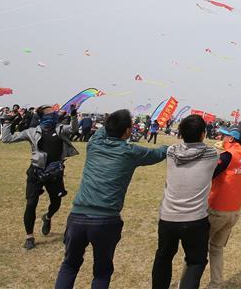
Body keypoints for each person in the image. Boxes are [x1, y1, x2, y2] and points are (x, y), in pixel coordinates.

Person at [54, 109, 167, 289]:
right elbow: (158, 154)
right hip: (106, 220)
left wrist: (115, 121)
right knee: (102, 272)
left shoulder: (94, 144)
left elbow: (105, 129)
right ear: (128, 131)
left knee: (69, 265)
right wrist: (172, 148)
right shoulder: (131, 152)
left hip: (77, 216)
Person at [151, 115, 219, 289]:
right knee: (195, 262)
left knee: (163, 257)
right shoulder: (212, 154)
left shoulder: (171, 152)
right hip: (196, 220)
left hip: (168, 218)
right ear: (203, 134)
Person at [1, 104, 78, 249]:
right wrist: (7, 122)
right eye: (50, 114)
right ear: (42, 117)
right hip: (36, 171)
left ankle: (47, 217)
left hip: (54, 172)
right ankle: (29, 237)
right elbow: (7, 139)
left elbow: (73, 129)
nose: (54, 115)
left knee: (56, 202)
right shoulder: (32, 132)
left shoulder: (60, 129)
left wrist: (73, 115)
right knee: (31, 204)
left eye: (54, 113)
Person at [207, 127, 241, 289]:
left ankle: (187, 284)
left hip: (217, 208)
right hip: (234, 210)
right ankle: (216, 284)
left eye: (225, 136)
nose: (221, 138)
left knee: (197, 250)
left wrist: (216, 153)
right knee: (217, 248)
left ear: (232, 139)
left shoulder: (227, 156)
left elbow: (208, 174)